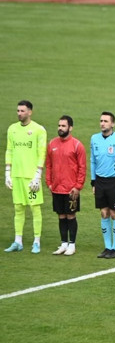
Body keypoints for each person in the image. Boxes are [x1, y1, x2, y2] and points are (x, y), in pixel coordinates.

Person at [5, 100, 48, 253]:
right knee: (18, 208)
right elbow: (9, 150)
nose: (19, 113)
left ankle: (36, 241)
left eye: (22, 111)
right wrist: (7, 173)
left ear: (30, 112)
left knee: (35, 208)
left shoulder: (38, 130)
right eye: (18, 110)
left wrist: (37, 175)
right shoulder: (12, 129)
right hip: (16, 176)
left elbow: (42, 152)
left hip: (31, 178)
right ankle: (18, 241)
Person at [90, 111, 115, 259]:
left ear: (112, 124)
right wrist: (93, 182)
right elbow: (93, 161)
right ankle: (107, 247)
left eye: (106, 121)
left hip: (114, 182)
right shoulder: (94, 139)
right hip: (100, 182)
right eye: (101, 121)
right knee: (103, 213)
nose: (102, 123)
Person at [45, 115, 86, 256]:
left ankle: (72, 245)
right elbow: (49, 165)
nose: (60, 128)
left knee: (70, 216)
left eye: (63, 126)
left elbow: (82, 168)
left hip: (71, 189)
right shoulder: (52, 144)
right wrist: (49, 183)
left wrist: (78, 186)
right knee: (61, 216)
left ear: (70, 127)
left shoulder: (77, 145)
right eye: (59, 125)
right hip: (56, 188)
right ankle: (63, 244)